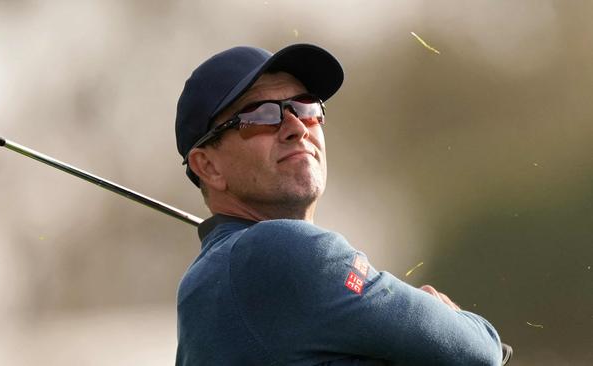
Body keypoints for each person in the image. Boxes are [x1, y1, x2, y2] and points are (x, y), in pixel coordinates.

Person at [174, 44, 509, 365]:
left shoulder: (209, 279)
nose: (296, 128)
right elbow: (481, 350)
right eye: (260, 115)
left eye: (306, 107)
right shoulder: (275, 251)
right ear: (208, 167)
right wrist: (452, 319)